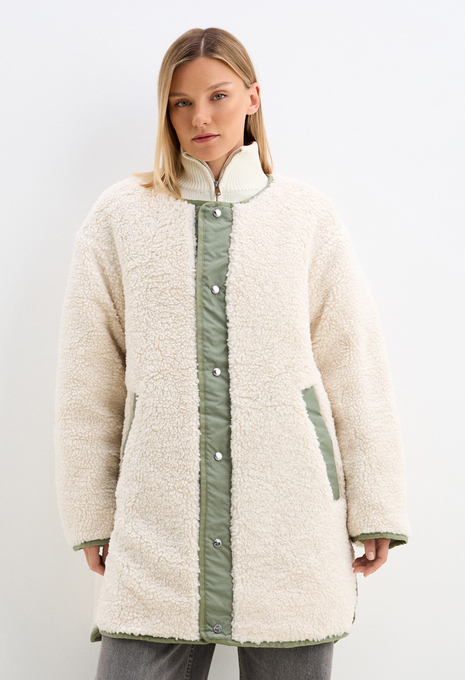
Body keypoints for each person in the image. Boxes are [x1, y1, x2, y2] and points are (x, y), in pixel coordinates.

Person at [54, 26, 410, 680]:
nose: (200, 117)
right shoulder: (119, 218)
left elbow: (354, 366)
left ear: (252, 97)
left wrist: (376, 504)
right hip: (156, 530)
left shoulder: (307, 218)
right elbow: (88, 380)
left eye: (217, 96)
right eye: (181, 102)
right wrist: (93, 513)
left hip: (291, 528)